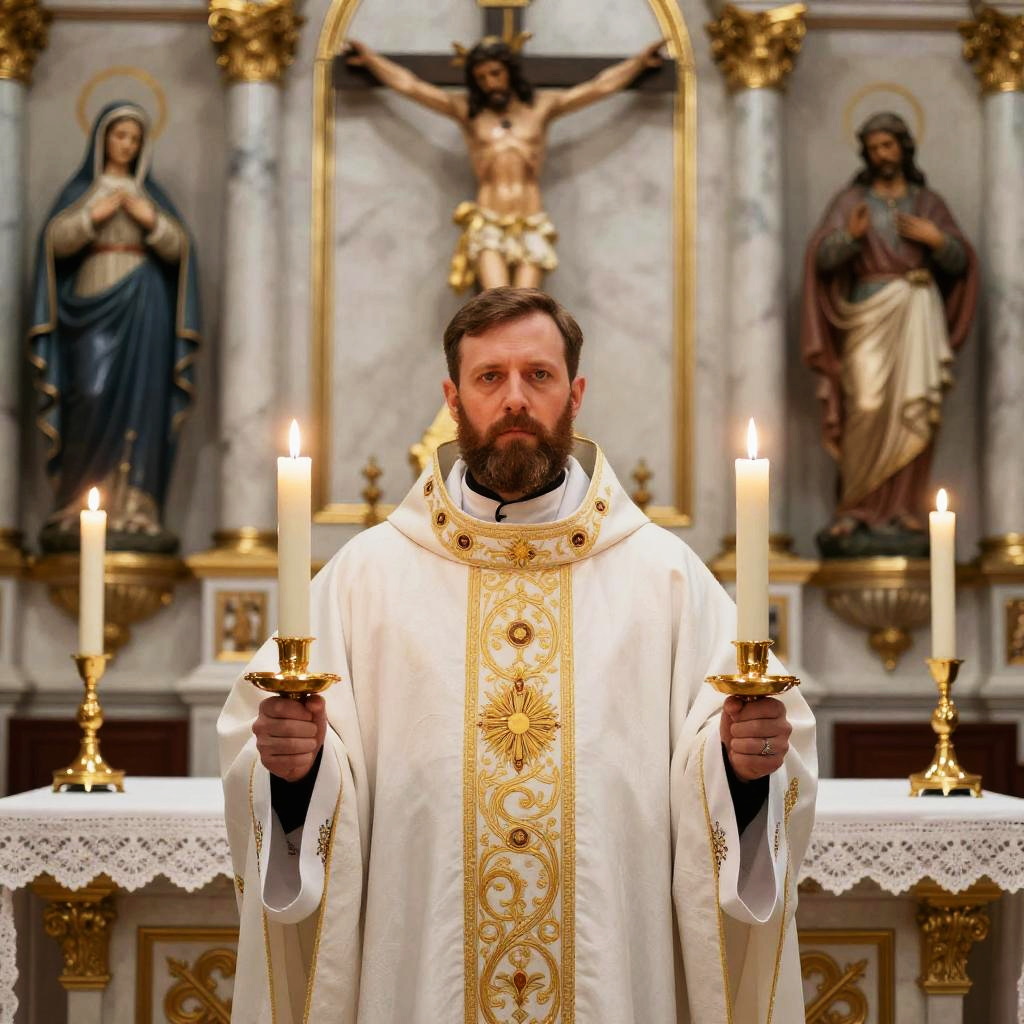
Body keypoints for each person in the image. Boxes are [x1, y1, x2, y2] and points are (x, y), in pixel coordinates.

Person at [219, 288, 817, 1023]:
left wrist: (741, 767)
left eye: (539, 375)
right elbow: (271, 758)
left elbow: (747, 755)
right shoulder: (365, 577)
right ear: (452, 396)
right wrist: (296, 771)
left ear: (576, 394)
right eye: (489, 377)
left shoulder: (663, 576)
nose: (514, 399)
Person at [345, 35, 665, 292]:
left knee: (526, 307)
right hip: (489, 220)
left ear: (509, 72)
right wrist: (372, 61)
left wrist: (637, 63)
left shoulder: (541, 108)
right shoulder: (468, 113)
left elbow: (599, 87)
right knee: (496, 304)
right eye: (481, 77)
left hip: (530, 220)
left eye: (495, 73)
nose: (490, 83)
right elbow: (411, 86)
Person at [28, 100, 201, 553]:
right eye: (119, 135)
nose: (126, 144)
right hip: (91, 302)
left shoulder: (150, 195)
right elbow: (55, 242)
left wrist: (151, 222)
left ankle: (136, 508)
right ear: (102, 138)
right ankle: (77, 503)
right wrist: (94, 215)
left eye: (134, 138)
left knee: (141, 402)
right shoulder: (83, 191)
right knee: (91, 393)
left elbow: (180, 249)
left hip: (146, 305)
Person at [801, 111, 977, 551]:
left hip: (917, 310)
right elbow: (822, 259)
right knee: (866, 403)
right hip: (868, 311)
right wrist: (849, 238)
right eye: (874, 147)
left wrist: (938, 241)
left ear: (903, 147)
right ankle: (855, 508)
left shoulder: (928, 202)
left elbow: (960, 263)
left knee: (913, 410)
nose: (882, 154)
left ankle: (903, 509)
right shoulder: (851, 201)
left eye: (889, 145)